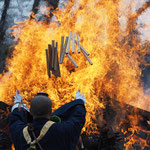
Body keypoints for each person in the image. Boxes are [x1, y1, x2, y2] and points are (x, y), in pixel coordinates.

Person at [8, 90, 86, 150]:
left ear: (30, 112)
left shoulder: (19, 132)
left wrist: (18, 103)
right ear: (50, 112)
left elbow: (15, 118)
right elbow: (78, 118)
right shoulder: (64, 130)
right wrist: (79, 102)